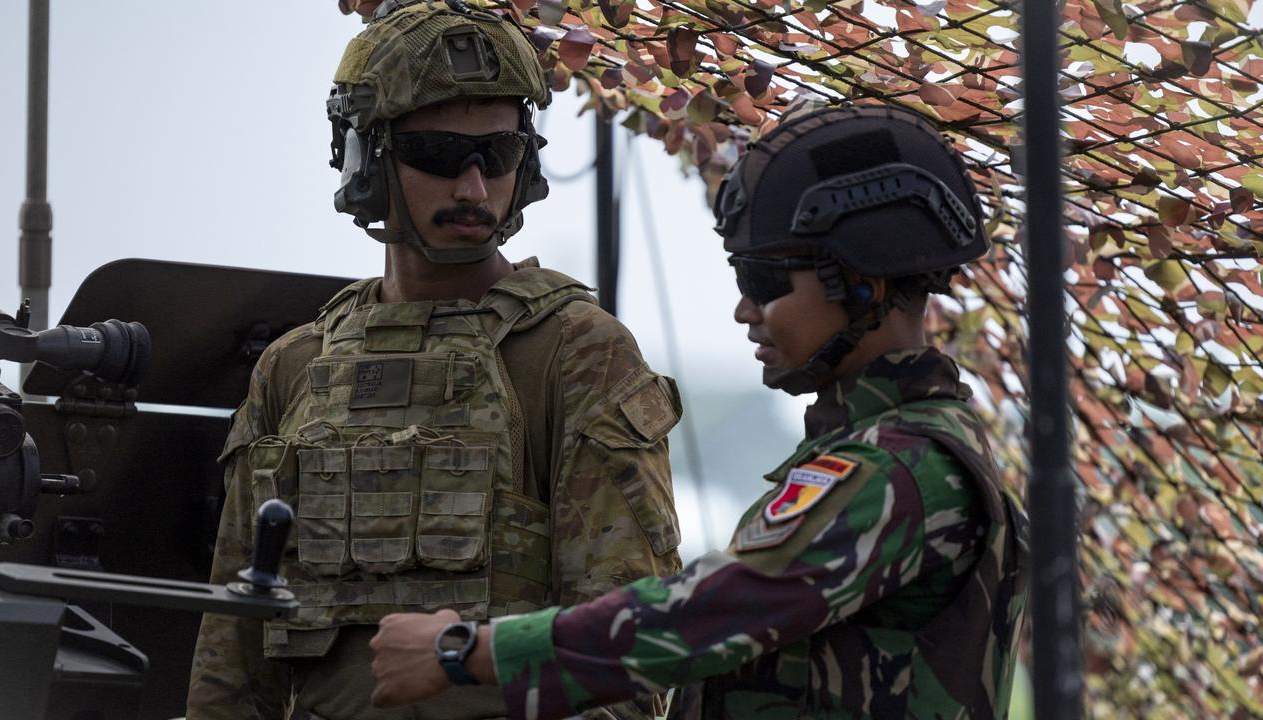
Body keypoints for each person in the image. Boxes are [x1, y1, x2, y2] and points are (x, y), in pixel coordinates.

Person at [365, 104, 1031, 719]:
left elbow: (711, 614)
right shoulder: (899, 451)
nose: (745, 310)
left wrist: (464, 652)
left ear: (866, 283)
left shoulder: (898, 469)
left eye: (764, 282)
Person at [185, 2, 684, 718]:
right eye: (441, 157)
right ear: (367, 154)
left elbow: (620, 656)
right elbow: (232, 659)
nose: (475, 188)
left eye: (501, 155)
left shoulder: (573, 353)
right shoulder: (295, 367)